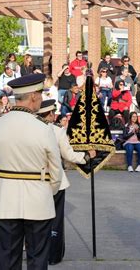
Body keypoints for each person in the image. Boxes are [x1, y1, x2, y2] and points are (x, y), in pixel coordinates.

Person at [0, 73, 62, 270]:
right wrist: (47, 191)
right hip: (38, 201)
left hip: (6, 200)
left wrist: (3, 185)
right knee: (37, 260)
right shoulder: (44, 128)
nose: (42, 100)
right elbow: (56, 172)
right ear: (34, 96)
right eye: (41, 95)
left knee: (8, 261)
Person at [37, 99, 96, 265]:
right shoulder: (56, 131)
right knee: (55, 220)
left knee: (36, 220)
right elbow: (68, 155)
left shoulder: (30, 129)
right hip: (55, 181)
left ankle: (36, 253)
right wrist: (86, 157)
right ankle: (53, 255)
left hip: (34, 182)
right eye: (53, 112)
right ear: (50, 114)